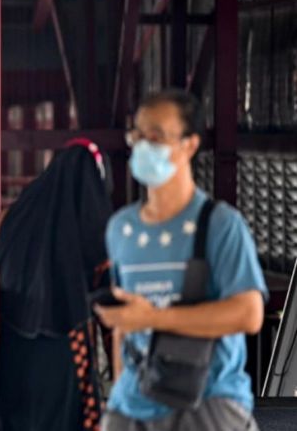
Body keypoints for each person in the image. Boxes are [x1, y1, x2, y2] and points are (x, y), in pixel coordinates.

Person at [95, 89, 267, 431]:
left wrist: (155, 317)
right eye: (138, 135)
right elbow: (124, 326)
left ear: (189, 144)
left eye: (156, 136)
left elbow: (249, 314)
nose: (143, 145)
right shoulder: (121, 228)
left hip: (208, 403)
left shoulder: (219, 225)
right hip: (132, 406)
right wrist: (117, 394)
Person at [0, 140, 114, 431]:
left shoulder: (2, 227)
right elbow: (112, 310)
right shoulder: (92, 234)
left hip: (9, 358)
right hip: (67, 356)